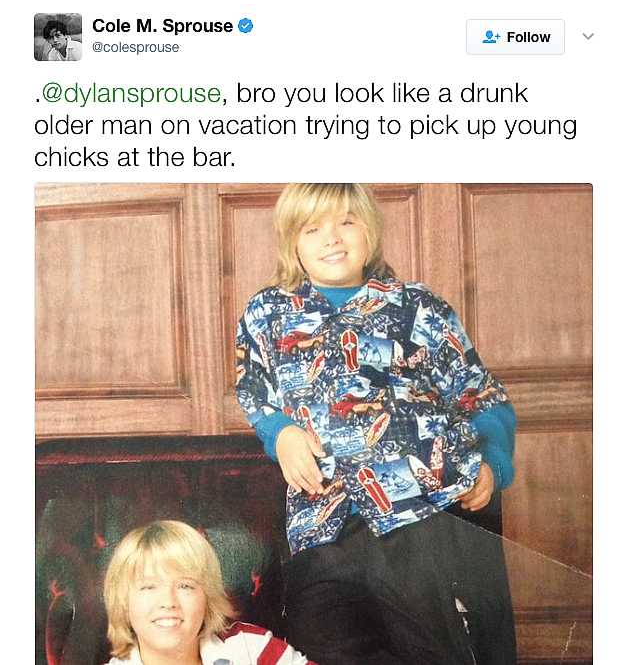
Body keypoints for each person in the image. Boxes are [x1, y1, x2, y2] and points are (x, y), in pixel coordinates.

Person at [236, 183, 517, 664]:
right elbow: (255, 393)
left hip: (423, 512)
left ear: (370, 231)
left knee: (437, 651)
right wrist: (281, 433)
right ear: (292, 242)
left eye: (346, 222)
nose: (332, 238)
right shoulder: (267, 313)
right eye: (312, 228)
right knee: (322, 648)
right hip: (323, 521)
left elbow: (483, 396)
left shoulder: (419, 307)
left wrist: (493, 463)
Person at [103, 520, 317, 664]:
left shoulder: (251, 649)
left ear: (207, 596)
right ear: (123, 602)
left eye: (185, 585)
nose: (168, 601)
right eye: (149, 587)